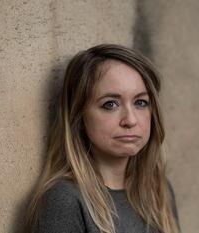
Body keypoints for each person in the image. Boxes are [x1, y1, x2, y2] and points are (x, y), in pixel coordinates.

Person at [25, 44, 180, 233]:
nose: (130, 120)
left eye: (140, 102)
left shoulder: (159, 190)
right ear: (79, 116)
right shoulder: (65, 200)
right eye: (110, 104)